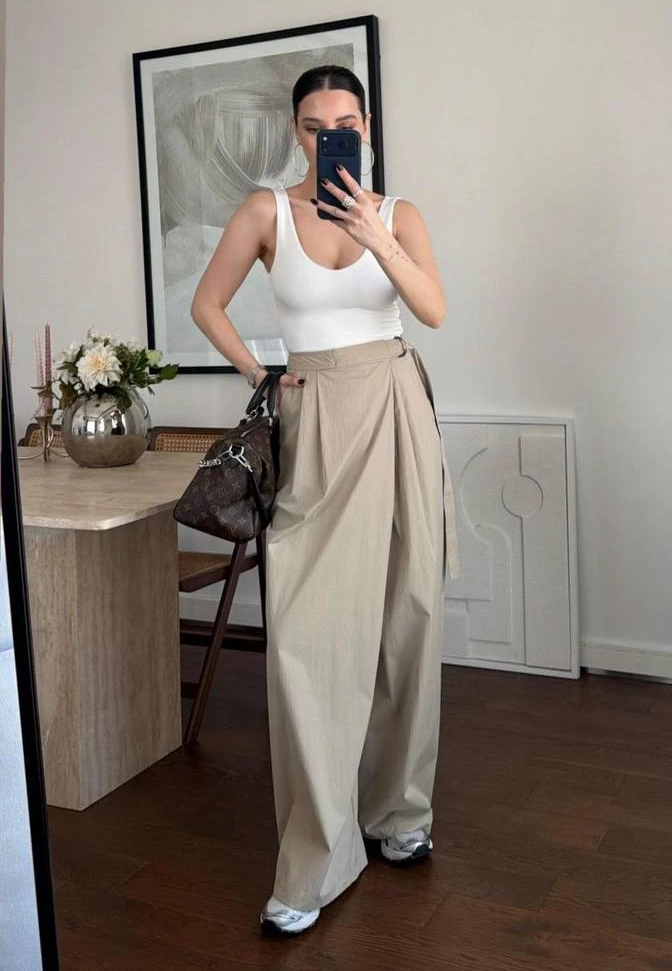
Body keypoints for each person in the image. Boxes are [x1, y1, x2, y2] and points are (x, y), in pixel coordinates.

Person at [190, 64, 459, 937]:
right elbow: (207, 304)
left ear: (365, 126)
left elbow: (433, 310)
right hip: (314, 415)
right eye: (313, 125)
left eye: (344, 123)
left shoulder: (399, 213)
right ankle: (316, 856)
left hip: (396, 404)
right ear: (295, 130)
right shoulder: (266, 211)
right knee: (307, 636)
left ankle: (400, 814)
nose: (328, 136)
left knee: (408, 614)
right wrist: (259, 372)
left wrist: (376, 235)